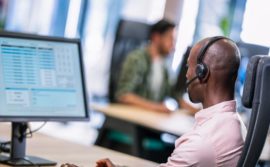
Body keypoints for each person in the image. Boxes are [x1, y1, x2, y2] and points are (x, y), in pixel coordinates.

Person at [61, 36, 246, 167]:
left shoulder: (201, 143)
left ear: (201, 73)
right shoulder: (236, 124)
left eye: (189, 67)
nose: (186, 73)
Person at [115, 19, 176, 113]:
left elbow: (174, 94)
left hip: (150, 119)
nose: (173, 45)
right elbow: (124, 96)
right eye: (170, 38)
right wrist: (156, 108)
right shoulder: (136, 59)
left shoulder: (164, 66)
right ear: (156, 37)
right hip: (130, 120)